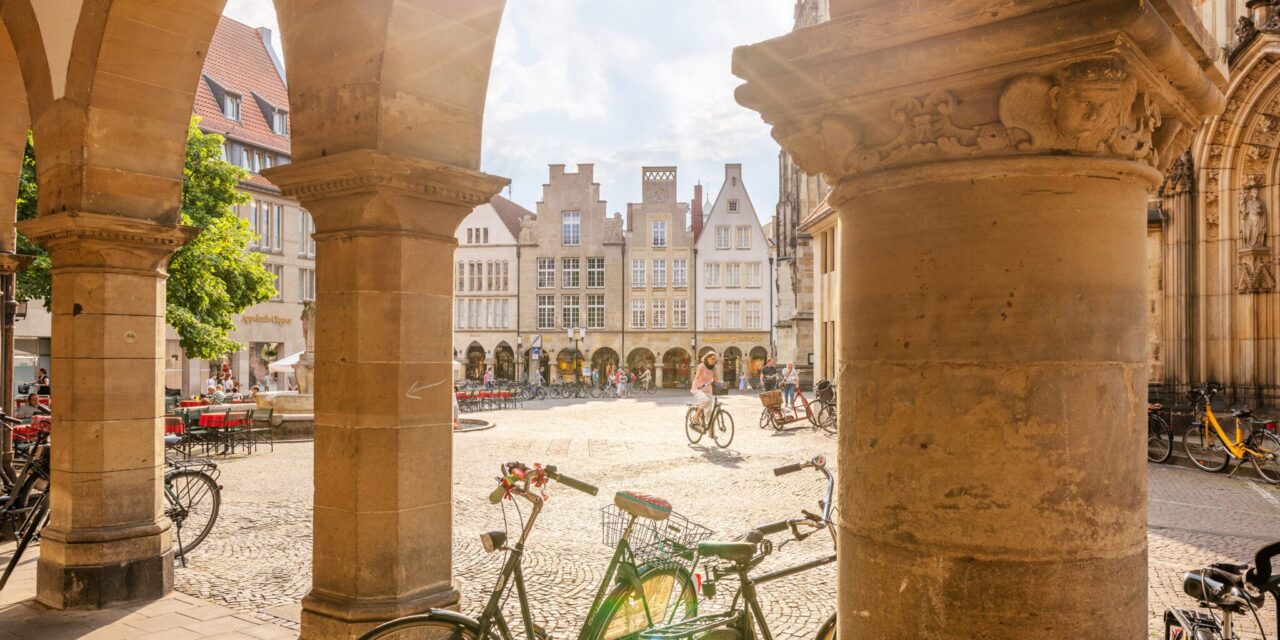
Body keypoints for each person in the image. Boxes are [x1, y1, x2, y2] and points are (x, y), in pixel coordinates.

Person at [691, 352, 718, 425]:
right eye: (712, 359)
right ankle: (696, 415)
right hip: (698, 388)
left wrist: (720, 384)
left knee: (709, 412)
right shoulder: (701, 366)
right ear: (707, 359)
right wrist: (699, 385)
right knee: (706, 400)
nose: (714, 360)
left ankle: (711, 433)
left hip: (708, 390)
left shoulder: (714, 367)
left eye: (715, 359)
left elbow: (715, 379)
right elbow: (697, 377)